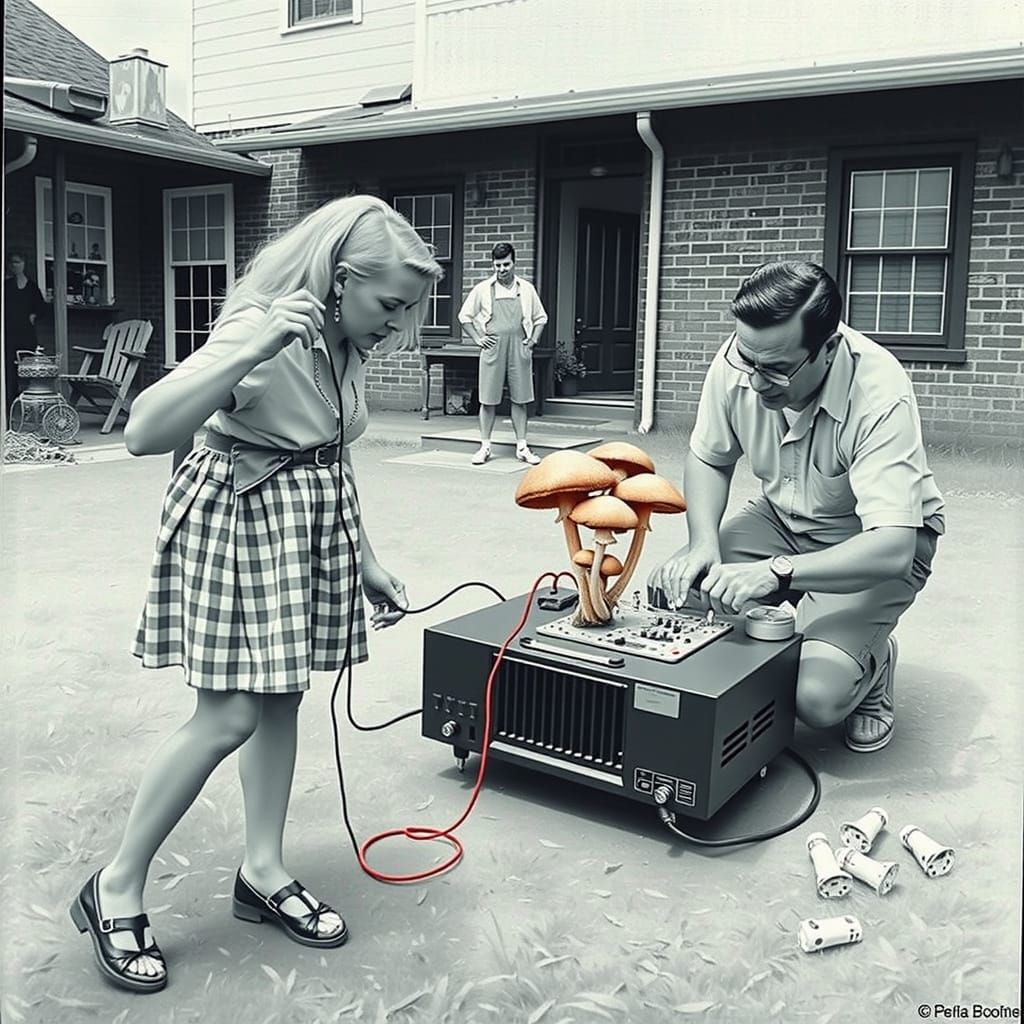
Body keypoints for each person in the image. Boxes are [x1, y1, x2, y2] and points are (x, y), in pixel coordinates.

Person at [69, 195, 443, 993]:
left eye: (410, 311)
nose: (397, 326)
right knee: (230, 713)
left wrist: (367, 558)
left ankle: (264, 871)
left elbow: (331, 458)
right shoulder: (262, 328)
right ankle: (115, 887)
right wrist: (258, 344)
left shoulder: (344, 343)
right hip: (238, 523)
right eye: (389, 306)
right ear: (340, 279)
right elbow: (143, 431)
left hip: (304, 526)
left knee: (280, 702)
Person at [648, 261, 944, 754]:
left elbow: (892, 547)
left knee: (816, 698)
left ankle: (872, 666)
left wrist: (776, 574)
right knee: (675, 596)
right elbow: (708, 456)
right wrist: (702, 543)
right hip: (780, 520)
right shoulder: (742, 357)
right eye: (748, 360)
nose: (758, 382)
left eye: (777, 370)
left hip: (870, 546)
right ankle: (794, 640)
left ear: (827, 348)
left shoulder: (880, 392)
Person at [458, 242, 548, 466]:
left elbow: (541, 318)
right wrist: (478, 339)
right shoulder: (483, 289)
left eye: (506, 264)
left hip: (519, 344)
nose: (502, 269)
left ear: (514, 262)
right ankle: (485, 446)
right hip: (493, 346)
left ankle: (522, 447)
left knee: (521, 398)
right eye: (497, 265)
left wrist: (532, 341)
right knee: (487, 399)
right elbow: (464, 316)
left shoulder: (526, 289)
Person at [3, 252, 47, 411]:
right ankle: (9, 405)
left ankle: (29, 405)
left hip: (26, 334)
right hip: (9, 334)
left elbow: (42, 308)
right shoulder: (6, 286)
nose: (15, 265)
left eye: (18, 261)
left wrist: (34, 315)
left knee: (27, 368)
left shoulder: (32, 287)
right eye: (12, 262)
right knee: (9, 370)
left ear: (24, 264)